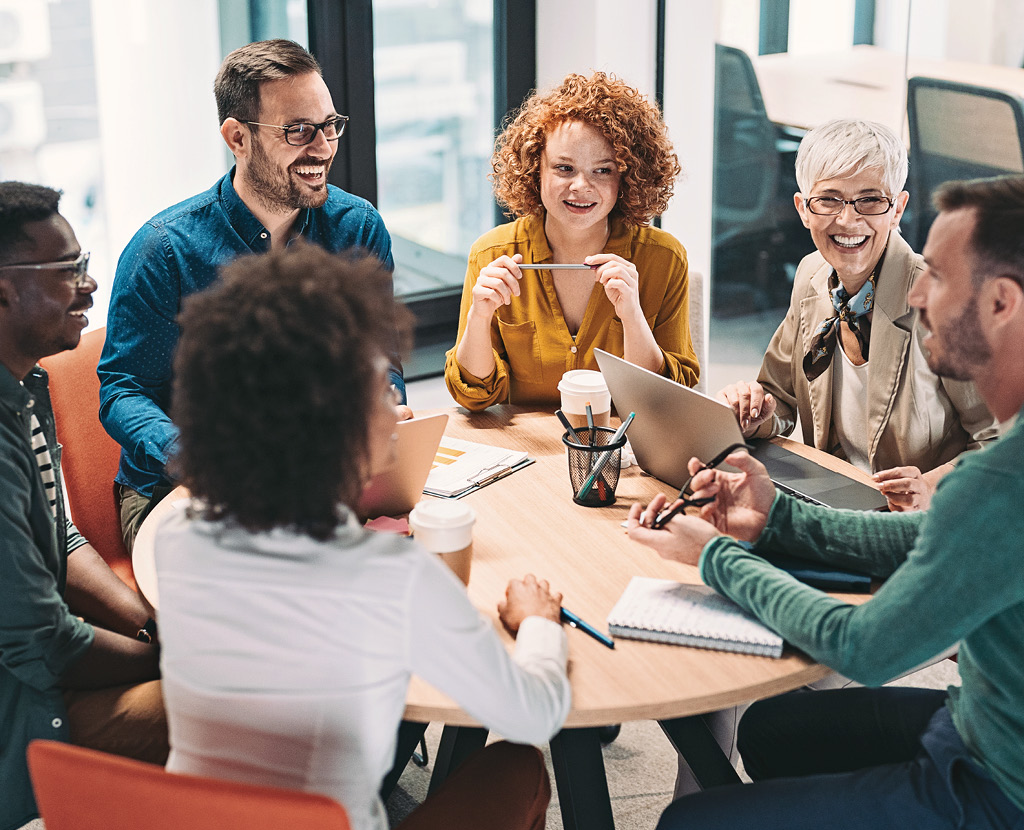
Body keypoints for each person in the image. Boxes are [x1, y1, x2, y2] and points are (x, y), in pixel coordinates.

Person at [626, 175, 1024, 830]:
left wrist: (721, 557)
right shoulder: (1004, 466)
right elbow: (924, 543)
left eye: (934, 271)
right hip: (978, 724)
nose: (917, 293)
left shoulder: (1002, 479)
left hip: (998, 802)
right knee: (774, 730)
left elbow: (864, 647)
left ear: (1001, 304)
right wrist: (775, 517)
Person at [154, 243, 571, 830]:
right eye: (379, 386)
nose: (396, 404)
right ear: (333, 422)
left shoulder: (179, 537)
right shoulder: (389, 576)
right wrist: (539, 623)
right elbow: (533, 714)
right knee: (518, 766)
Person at [98, 38, 407, 553]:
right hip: (181, 488)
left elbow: (382, 361)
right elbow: (122, 391)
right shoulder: (165, 250)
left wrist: (384, 405)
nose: (324, 147)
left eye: (330, 125)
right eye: (298, 131)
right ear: (237, 138)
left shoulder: (357, 228)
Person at [717, 119, 996, 512]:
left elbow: (1002, 441)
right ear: (803, 209)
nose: (848, 221)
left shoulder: (945, 303)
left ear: (897, 208)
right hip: (830, 503)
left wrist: (934, 487)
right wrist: (751, 412)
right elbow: (779, 398)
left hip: (918, 525)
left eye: (870, 200)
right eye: (829, 199)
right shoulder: (811, 275)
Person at [0, 183, 167, 830]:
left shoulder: (25, 380)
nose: (91, 285)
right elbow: (45, 647)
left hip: (43, 659)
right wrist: (173, 659)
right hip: (25, 705)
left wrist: (147, 622)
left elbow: (56, 536)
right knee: (255, 704)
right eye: (68, 270)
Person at [444, 71, 699, 410]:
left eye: (603, 170)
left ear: (627, 176)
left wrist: (632, 316)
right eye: (564, 168)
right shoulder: (492, 254)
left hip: (622, 451)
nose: (581, 186)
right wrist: (479, 316)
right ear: (535, 169)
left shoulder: (664, 258)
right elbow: (474, 395)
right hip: (527, 452)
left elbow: (667, 400)